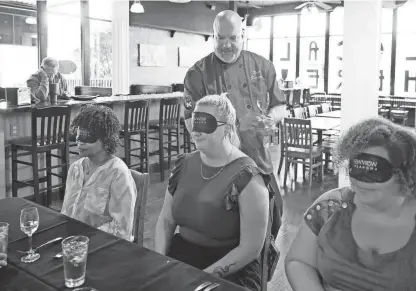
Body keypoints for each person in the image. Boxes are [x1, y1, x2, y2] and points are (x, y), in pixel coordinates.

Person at [285, 117, 416, 291]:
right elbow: (298, 261)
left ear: (405, 174)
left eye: (375, 171)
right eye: (356, 168)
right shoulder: (330, 207)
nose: (362, 182)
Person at [183, 10, 286, 238]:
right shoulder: (197, 74)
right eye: (221, 38)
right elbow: (194, 125)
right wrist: (232, 127)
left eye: (233, 38)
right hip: (217, 167)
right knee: (223, 232)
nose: (227, 45)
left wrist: (271, 118)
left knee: (273, 221)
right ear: (213, 36)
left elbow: (280, 106)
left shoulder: (264, 66)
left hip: (259, 160)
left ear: (243, 35)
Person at [155, 94, 270, 291]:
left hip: (231, 268)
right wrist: (160, 262)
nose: (196, 131)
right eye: (194, 123)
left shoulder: (248, 177)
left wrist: (202, 277)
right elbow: (166, 220)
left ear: (226, 127)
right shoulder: (184, 164)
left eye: (205, 123)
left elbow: (251, 248)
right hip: (182, 256)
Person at [61, 105, 137, 241]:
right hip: (73, 243)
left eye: (87, 138)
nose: (80, 143)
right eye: (78, 137)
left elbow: (122, 229)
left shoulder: (117, 173)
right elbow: (66, 213)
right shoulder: (75, 168)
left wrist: (85, 238)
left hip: (104, 244)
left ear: (105, 139)